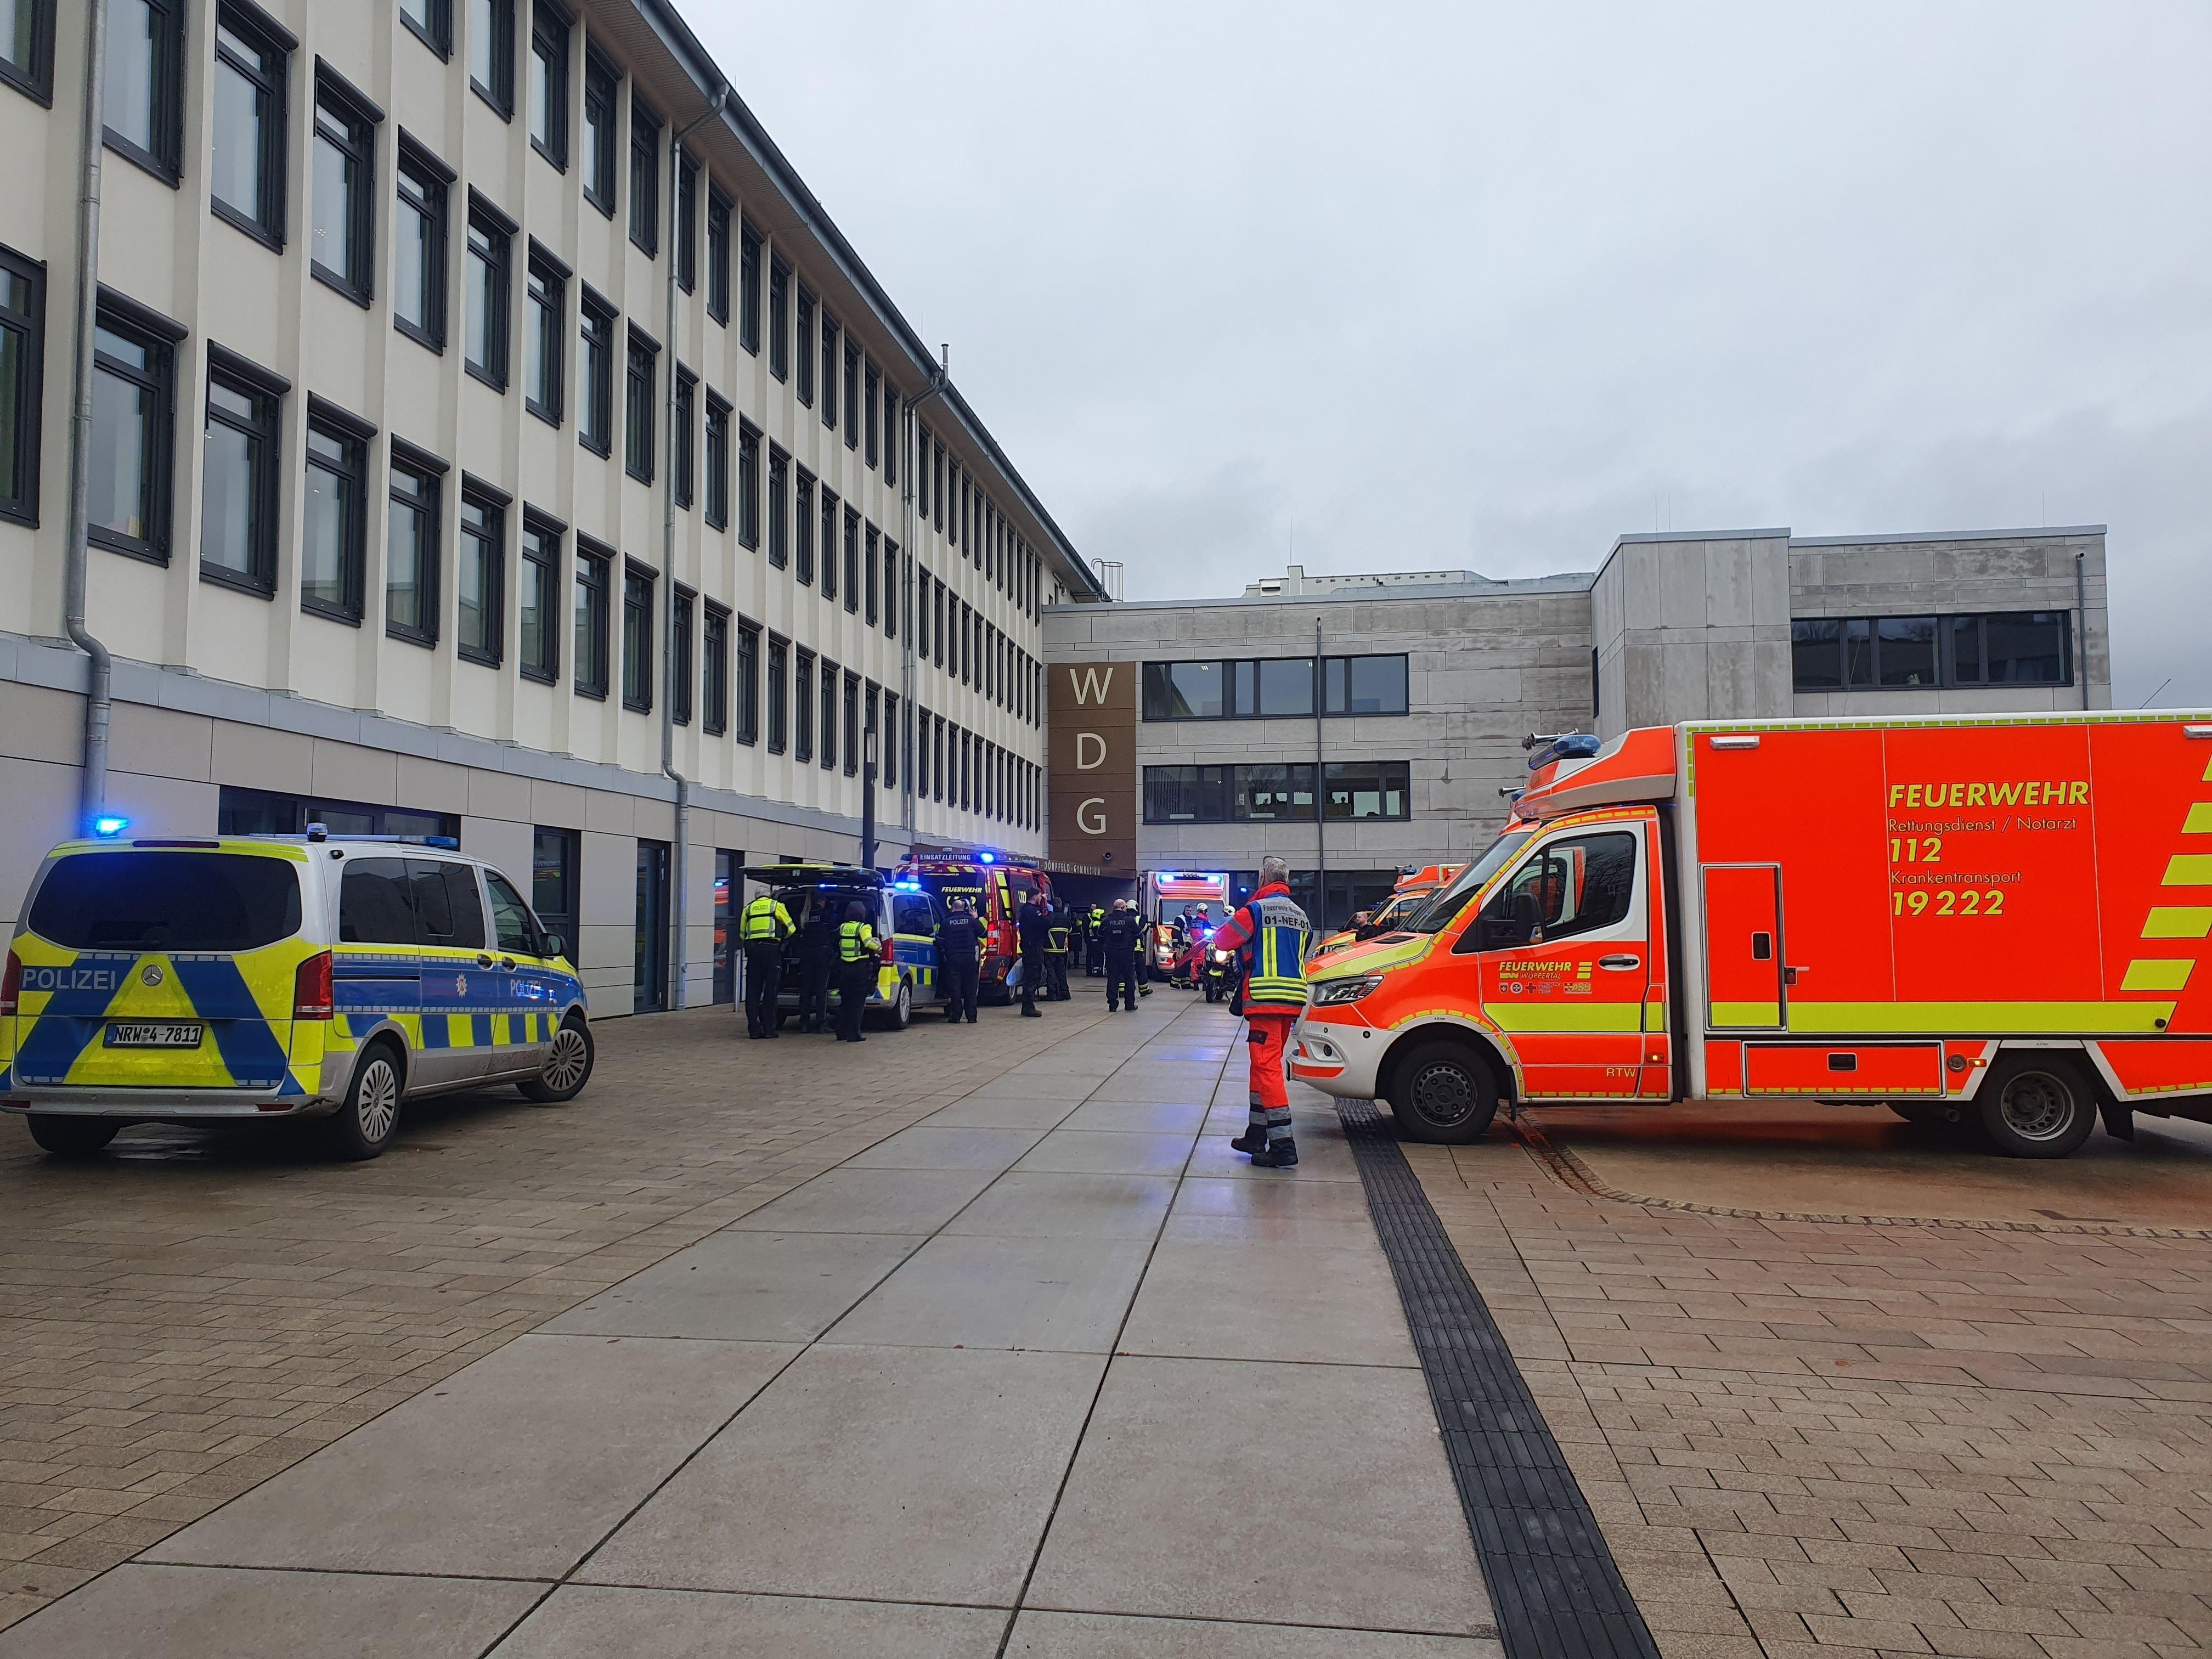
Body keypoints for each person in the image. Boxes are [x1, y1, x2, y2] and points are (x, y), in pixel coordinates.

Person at [1211, 855, 1312, 1168]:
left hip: (1265, 997)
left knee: (1266, 1067)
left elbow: (1222, 940)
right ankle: (1256, 1134)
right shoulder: (1301, 915)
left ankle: (1283, 1145)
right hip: (1293, 998)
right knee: (1263, 1065)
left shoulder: (1255, 910)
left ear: (1263, 878)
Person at [738, 884, 794, 1040]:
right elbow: (792, 928)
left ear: (756, 897)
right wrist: (784, 939)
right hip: (771, 951)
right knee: (770, 991)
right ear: (769, 896)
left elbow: (742, 934)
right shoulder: (776, 905)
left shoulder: (748, 909)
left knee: (753, 992)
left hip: (754, 952)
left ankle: (754, 1030)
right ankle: (769, 1029)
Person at [834, 900, 879, 1043]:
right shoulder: (864, 927)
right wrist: (878, 946)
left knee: (845, 1002)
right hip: (859, 969)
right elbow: (868, 943)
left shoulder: (843, 927)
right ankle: (854, 1034)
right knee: (857, 1003)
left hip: (844, 969)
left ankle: (841, 1033)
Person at [937, 895, 983, 1025]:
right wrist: (976, 918)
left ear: (952, 908)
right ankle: (972, 1017)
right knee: (970, 988)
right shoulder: (971, 921)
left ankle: (956, 1016)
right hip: (969, 958)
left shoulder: (946, 922)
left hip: (953, 959)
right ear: (964, 909)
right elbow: (983, 933)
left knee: (955, 988)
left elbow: (939, 942)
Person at [796, 901, 837, 1034]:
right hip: (822, 956)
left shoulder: (804, 915)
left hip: (807, 955)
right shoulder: (826, 914)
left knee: (806, 990)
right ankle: (821, 1023)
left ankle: (804, 1023)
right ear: (822, 901)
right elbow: (835, 931)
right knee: (821, 990)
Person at [1100, 898, 1143, 1013]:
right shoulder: (1129, 921)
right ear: (1124, 908)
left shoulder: (1106, 921)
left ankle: (1112, 1005)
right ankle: (1129, 1005)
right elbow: (1139, 933)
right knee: (1129, 979)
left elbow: (1100, 935)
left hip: (1111, 954)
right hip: (1126, 954)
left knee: (1113, 979)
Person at [1016, 889, 1052, 1017]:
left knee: (1033, 976)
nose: (1040, 898)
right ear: (1034, 897)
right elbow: (1046, 923)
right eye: (1039, 896)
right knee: (1032, 977)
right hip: (1032, 948)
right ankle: (1028, 1007)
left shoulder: (1028, 910)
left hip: (1032, 947)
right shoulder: (1030, 911)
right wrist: (1050, 911)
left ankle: (1028, 1006)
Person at [1045, 904, 1073, 1001]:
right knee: (1061, 972)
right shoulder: (1065, 918)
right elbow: (1070, 930)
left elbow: (1044, 927)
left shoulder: (1050, 917)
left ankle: (1052, 994)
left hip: (1049, 949)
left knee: (1051, 971)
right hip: (1061, 949)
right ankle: (1065, 993)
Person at [1086, 905, 1107, 975]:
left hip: (1092, 943)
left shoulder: (1092, 923)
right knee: (1100, 957)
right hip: (1097, 943)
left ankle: (1095, 971)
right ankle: (1099, 972)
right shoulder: (1097, 924)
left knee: (1095, 958)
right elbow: (1100, 934)